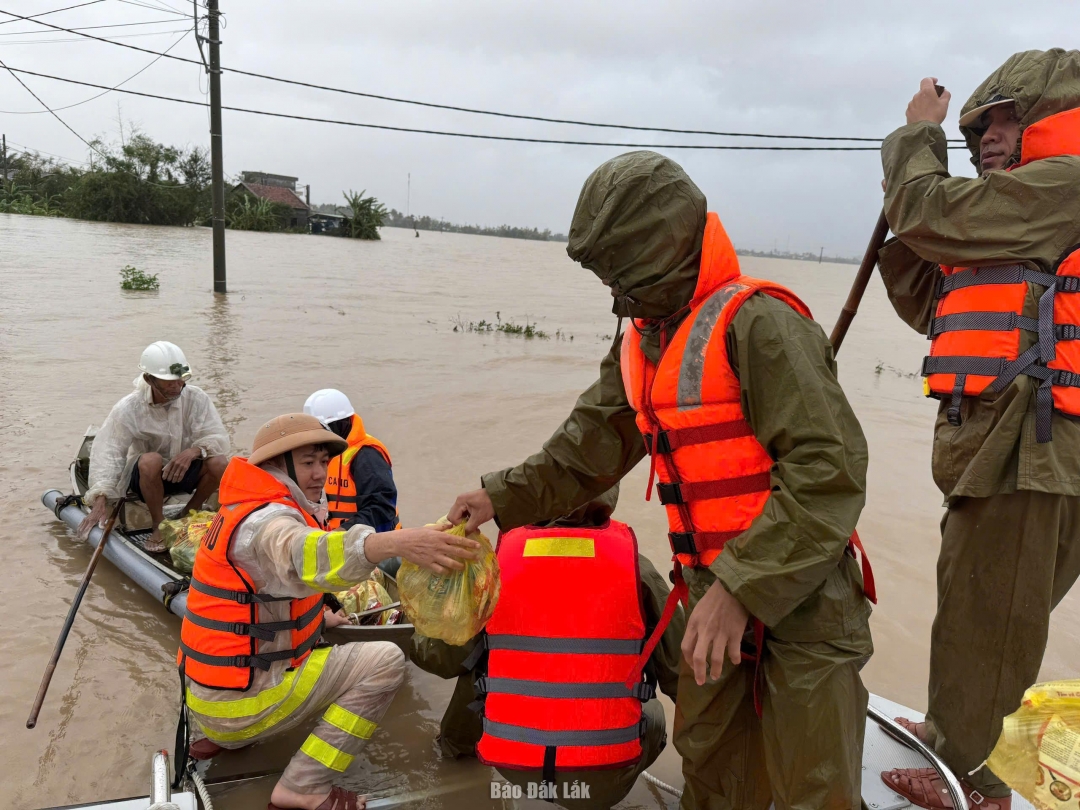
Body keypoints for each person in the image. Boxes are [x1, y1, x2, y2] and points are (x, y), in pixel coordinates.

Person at [446, 151, 875, 810]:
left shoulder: (761, 325)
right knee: (709, 768)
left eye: (620, 270)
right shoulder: (640, 347)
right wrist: (495, 496)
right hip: (709, 588)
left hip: (805, 597)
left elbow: (831, 470)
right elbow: (579, 456)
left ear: (660, 249)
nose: (613, 292)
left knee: (813, 787)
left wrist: (742, 585)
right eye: (604, 273)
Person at [876, 49, 1080, 810]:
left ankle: (969, 776)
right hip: (999, 442)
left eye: (1006, 118)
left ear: (1050, 119)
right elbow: (934, 297)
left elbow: (927, 212)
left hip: (1033, 446)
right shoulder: (1019, 215)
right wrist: (914, 212)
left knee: (991, 612)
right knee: (977, 599)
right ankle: (953, 734)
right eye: (977, 127)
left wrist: (916, 142)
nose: (988, 136)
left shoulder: (1067, 183)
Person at [178, 413, 479, 810]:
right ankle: (303, 787)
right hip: (239, 707)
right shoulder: (269, 523)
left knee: (318, 638)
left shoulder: (242, 509)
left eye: (323, 461)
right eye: (307, 463)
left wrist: (317, 618)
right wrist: (396, 543)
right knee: (386, 660)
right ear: (274, 467)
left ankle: (231, 737)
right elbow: (311, 553)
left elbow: (262, 601)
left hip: (205, 702)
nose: (320, 473)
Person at [410, 486, 685, 810]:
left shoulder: (499, 562)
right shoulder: (634, 565)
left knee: (482, 661)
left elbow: (442, 659)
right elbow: (685, 679)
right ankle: (590, 795)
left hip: (513, 767)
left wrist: (417, 627)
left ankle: (456, 757)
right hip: (600, 780)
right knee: (651, 708)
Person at [78, 341, 229, 552]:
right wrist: (100, 497)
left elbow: (217, 437)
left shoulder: (197, 398)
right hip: (146, 479)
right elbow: (109, 451)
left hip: (183, 473)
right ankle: (159, 524)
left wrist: (193, 451)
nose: (177, 387)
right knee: (150, 459)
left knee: (220, 462)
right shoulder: (129, 407)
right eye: (169, 382)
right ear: (149, 379)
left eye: (180, 380)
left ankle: (187, 513)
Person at [304, 389, 401, 533]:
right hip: (344, 540)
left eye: (324, 429)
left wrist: (343, 531)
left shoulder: (367, 455)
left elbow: (381, 508)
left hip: (377, 544)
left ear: (342, 423)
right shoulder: (331, 451)